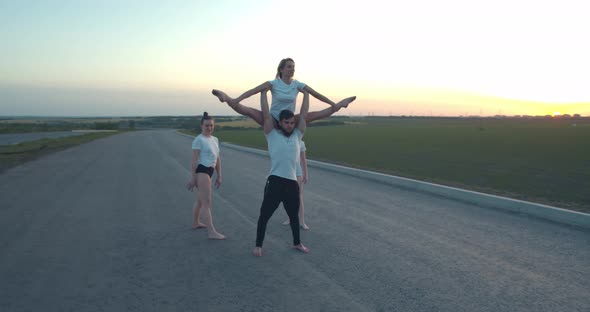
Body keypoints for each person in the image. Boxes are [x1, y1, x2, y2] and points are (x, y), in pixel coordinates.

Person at [211, 58, 356, 126]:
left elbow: (316, 94)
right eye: (289, 67)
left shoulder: (297, 84)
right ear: (281, 69)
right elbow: (253, 91)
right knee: (248, 110)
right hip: (273, 119)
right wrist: (238, 99)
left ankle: (341, 104)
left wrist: (332, 103)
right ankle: (226, 97)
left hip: (290, 119)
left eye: (293, 67)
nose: (292, 69)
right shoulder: (273, 83)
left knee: (315, 115)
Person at [253, 88, 310, 257]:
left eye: (292, 123)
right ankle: (258, 245)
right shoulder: (271, 134)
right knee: (264, 216)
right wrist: (263, 94)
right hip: (275, 182)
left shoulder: (297, 136)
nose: (290, 125)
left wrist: (305, 94)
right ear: (280, 122)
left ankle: (297, 243)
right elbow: (265, 113)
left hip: (292, 183)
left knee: (294, 217)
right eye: (287, 123)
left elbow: (304, 113)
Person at [189, 112, 225, 240]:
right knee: (206, 203)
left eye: (211, 125)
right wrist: (193, 178)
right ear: (201, 126)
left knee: (200, 201)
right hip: (202, 171)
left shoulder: (214, 139)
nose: (209, 128)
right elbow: (194, 160)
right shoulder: (198, 140)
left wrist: (219, 175)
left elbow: (217, 158)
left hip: (210, 171)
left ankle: (195, 222)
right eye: (206, 125)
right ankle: (211, 232)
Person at [282, 139, 309, 230]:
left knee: (299, 197)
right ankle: (290, 218)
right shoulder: (284, 141)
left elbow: (303, 160)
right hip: (286, 173)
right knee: (287, 197)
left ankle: (302, 221)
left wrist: (306, 174)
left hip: (297, 174)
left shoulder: (301, 143)